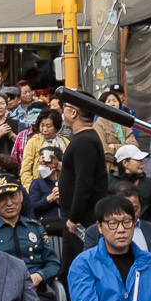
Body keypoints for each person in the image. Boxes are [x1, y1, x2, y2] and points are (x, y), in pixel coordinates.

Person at [56, 97, 108, 276]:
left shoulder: (84, 141)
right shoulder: (82, 139)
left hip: (81, 220)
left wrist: (74, 217)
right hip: (75, 217)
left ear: (73, 112)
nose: (62, 111)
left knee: (86, 266)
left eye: (64, 107)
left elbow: (84, 183)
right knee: (70, 268)